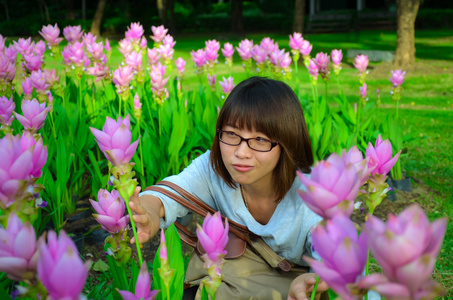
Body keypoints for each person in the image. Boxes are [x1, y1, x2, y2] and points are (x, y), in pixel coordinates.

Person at [129, 76, 329, 299]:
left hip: (294, 275)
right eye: (232, 134)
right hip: (241, 263)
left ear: (287, 143)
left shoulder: (311, 196)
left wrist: (311, 280)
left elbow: (331, 255)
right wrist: (149, 211)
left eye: (260, 139)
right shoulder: (214, 167)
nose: (241, 153)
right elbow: (170, 192)